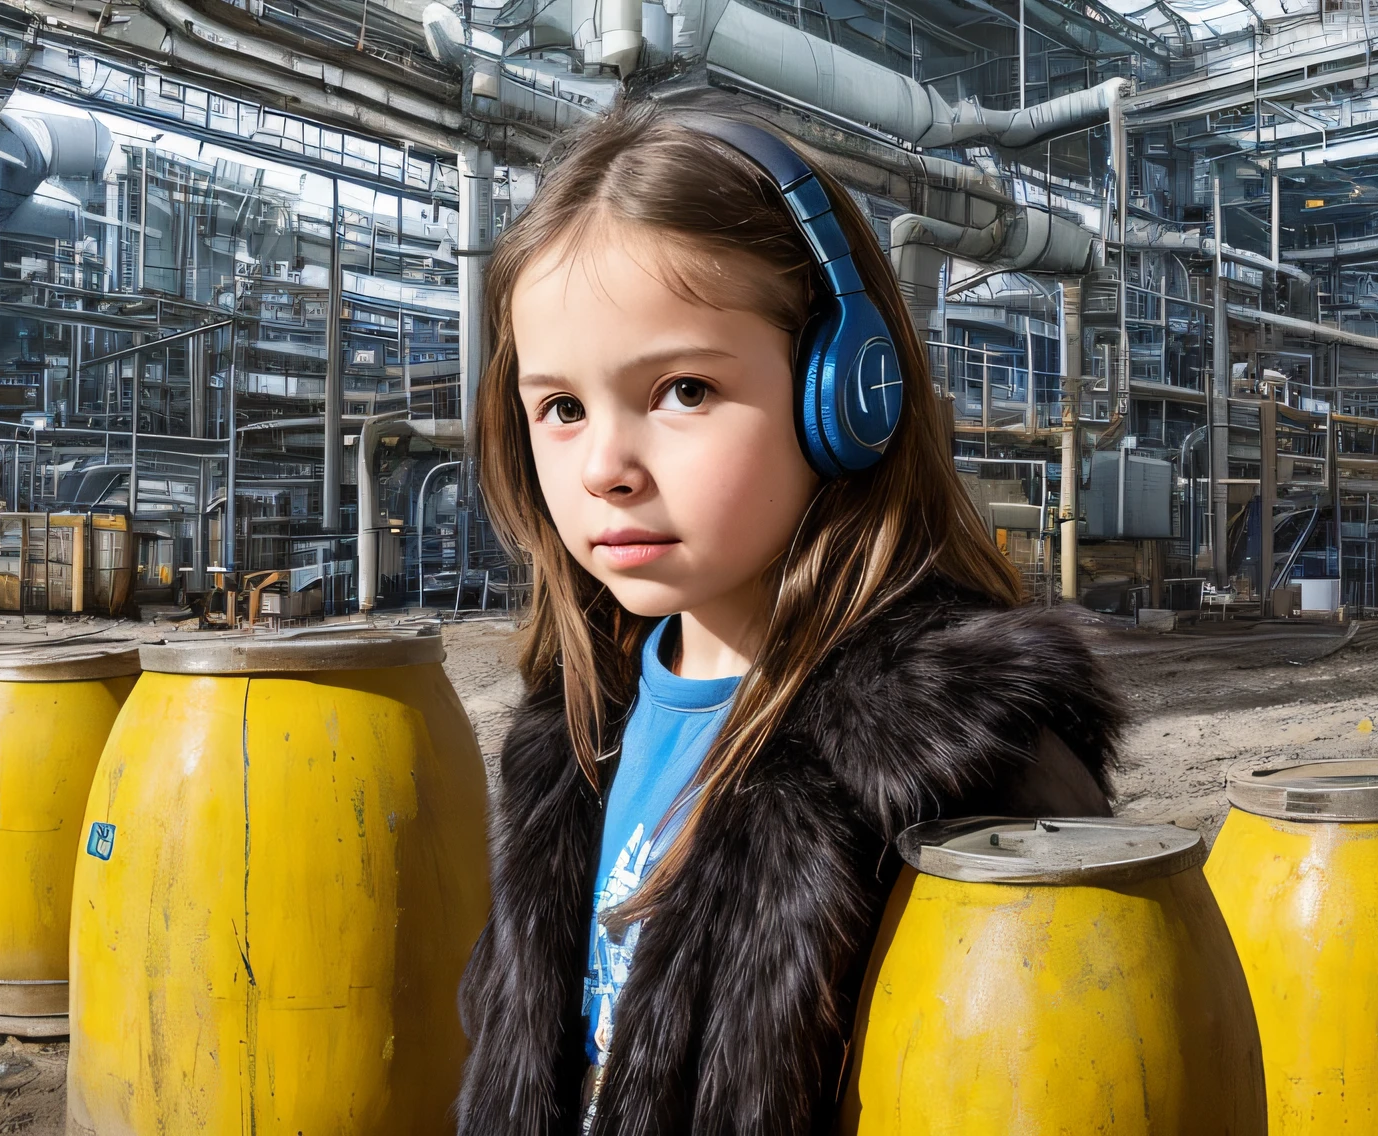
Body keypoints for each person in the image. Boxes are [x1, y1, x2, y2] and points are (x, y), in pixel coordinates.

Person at [456, 96, 1125, 1135]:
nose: (602, 468)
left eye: (681, 389)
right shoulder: (573, 734)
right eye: (561, 407)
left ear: (848, 394)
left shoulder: (955, 770)